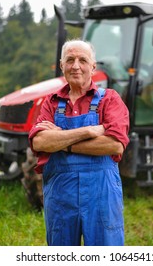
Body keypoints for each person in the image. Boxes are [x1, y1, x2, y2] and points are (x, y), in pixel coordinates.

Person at [29, 39, 130, 246]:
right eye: (70, 60)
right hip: (61, 196)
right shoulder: (51, 102)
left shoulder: (109, 99)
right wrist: (89, 131)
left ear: (93, 67)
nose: (76, 66)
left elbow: (114, 145)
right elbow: (39, 141)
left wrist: (63, 143)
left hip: (101, 194)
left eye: (82, 60)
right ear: (61, 66)